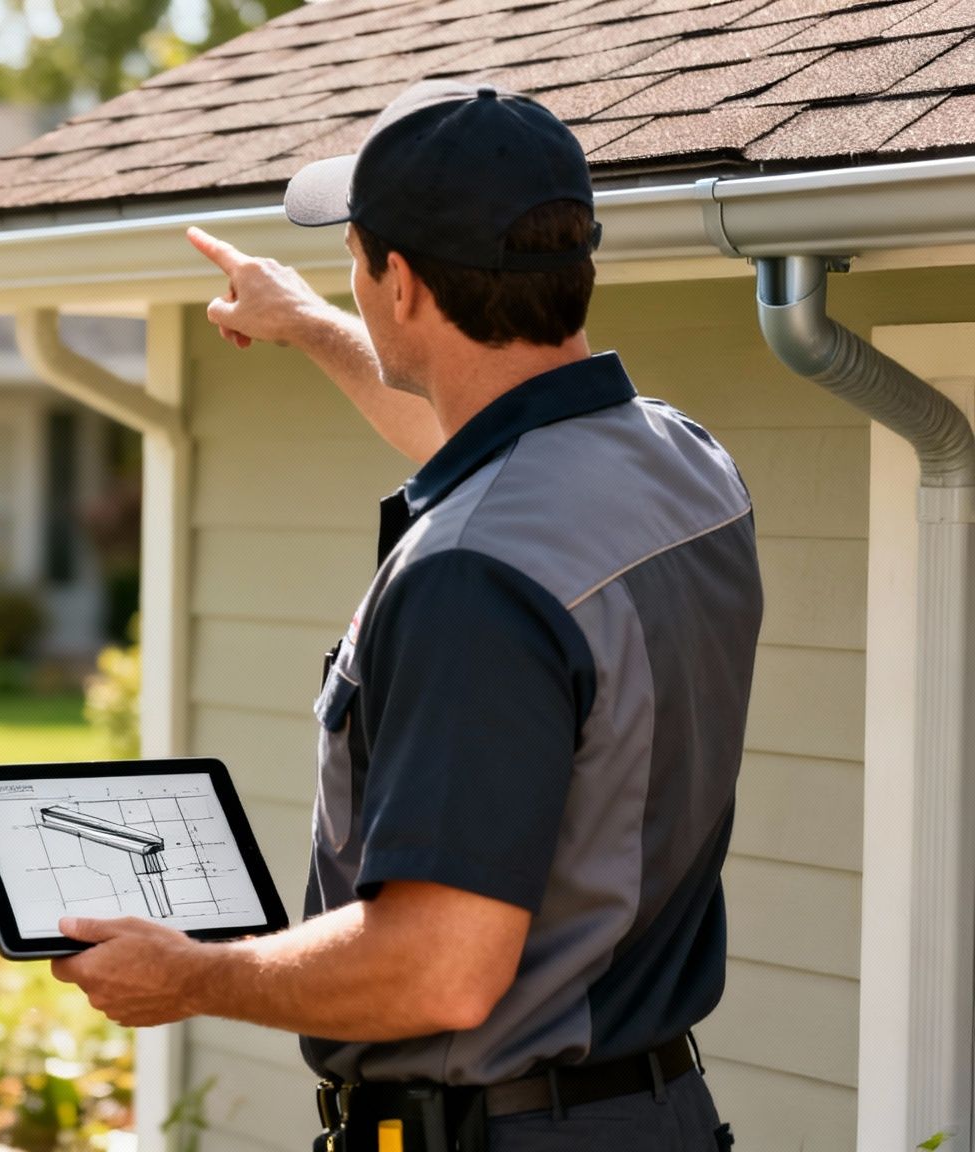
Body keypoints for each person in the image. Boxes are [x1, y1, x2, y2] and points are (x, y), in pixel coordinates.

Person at [47, 81, 758, 1151]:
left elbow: (438, 967)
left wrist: (188, 974)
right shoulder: (680, 465)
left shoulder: (471, 579)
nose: (353, 276)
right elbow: (498, 460)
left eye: (356, 256)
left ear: (404, 284)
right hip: (650, 1114)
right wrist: (313, 326)